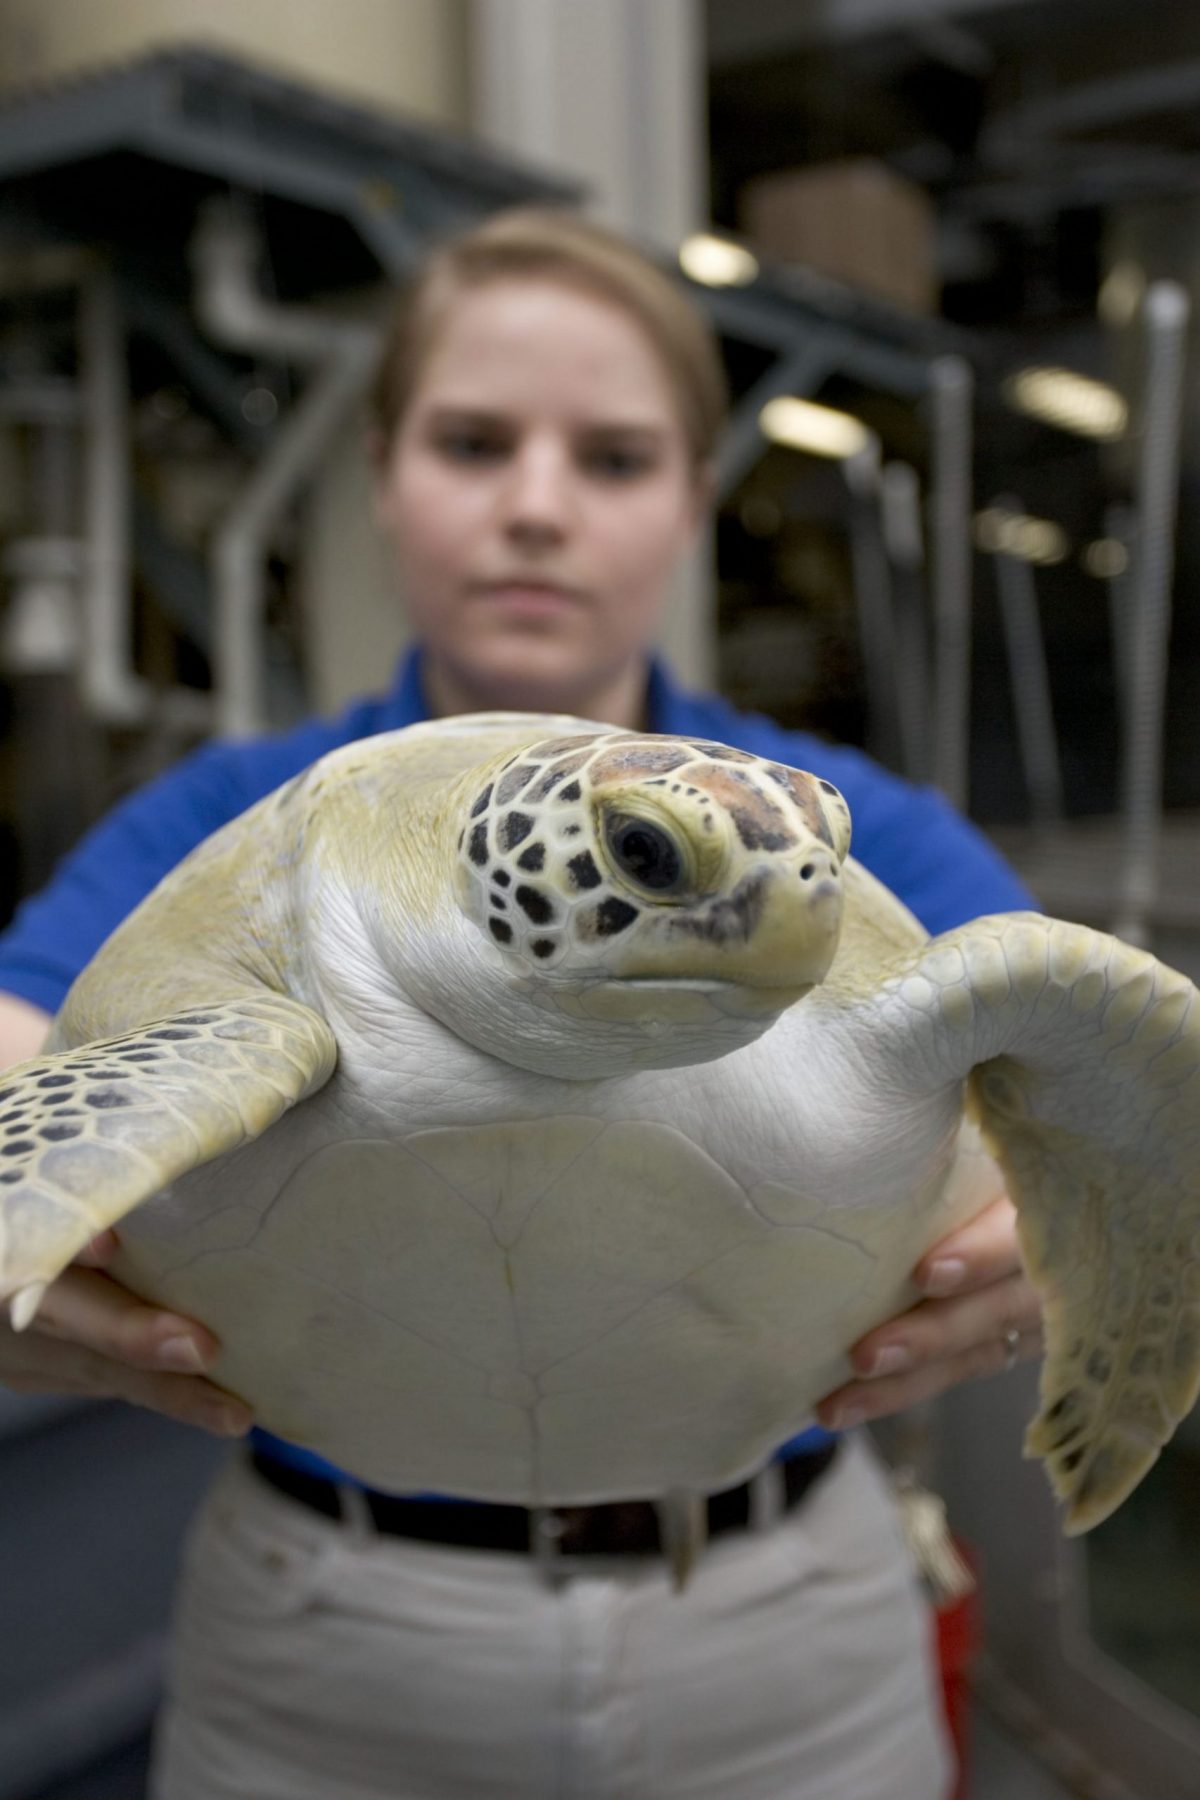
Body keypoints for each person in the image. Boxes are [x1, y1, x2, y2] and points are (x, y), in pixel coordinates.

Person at [0, 208, 1043, 1800]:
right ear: (385, 476)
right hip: (333, 1633)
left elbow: (1071, 1075)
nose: (537, 509)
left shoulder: (839, 834)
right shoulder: (230, 824)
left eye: (615, 459)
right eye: (475, 443)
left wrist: (1082, 1234)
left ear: (693, 501)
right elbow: (20, 1056)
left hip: (786, 1629)